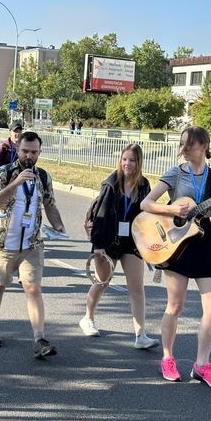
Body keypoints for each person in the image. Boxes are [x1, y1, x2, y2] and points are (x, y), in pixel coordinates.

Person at [140, 126, 211, 389]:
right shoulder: (175, 173)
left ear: (204, 144)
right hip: (177, 243)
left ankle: (202, 365)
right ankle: (168, 357)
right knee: (175, 306)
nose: (184, 149)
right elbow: (146, 204)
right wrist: (170, 208)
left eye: (188, 144)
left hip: (205, 243)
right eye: (182, 144)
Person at [0, 131, 66, 358]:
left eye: (34, 152)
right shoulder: (3, 173)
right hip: (4, 242)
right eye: (25, 151)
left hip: (32, 243)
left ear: (39, 152)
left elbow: (49, 203)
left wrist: (58, 225)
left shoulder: (43, 176)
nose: (29, 156)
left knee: (33, 288)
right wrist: (15, 183)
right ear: (17, 150)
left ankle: (39, 338)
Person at [79, 143, 159, 350]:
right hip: (107, 239)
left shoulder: (144, 186)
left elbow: (147, 216)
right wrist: (98, 246)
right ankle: (88, 318)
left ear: (139, 162)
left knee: (137, 288)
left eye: (132, 160)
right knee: (102, 281)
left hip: (131, 241)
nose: (127, 163)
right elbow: (101, 216)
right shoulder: (110, 184)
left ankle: (141, 335)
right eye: (125, 159)